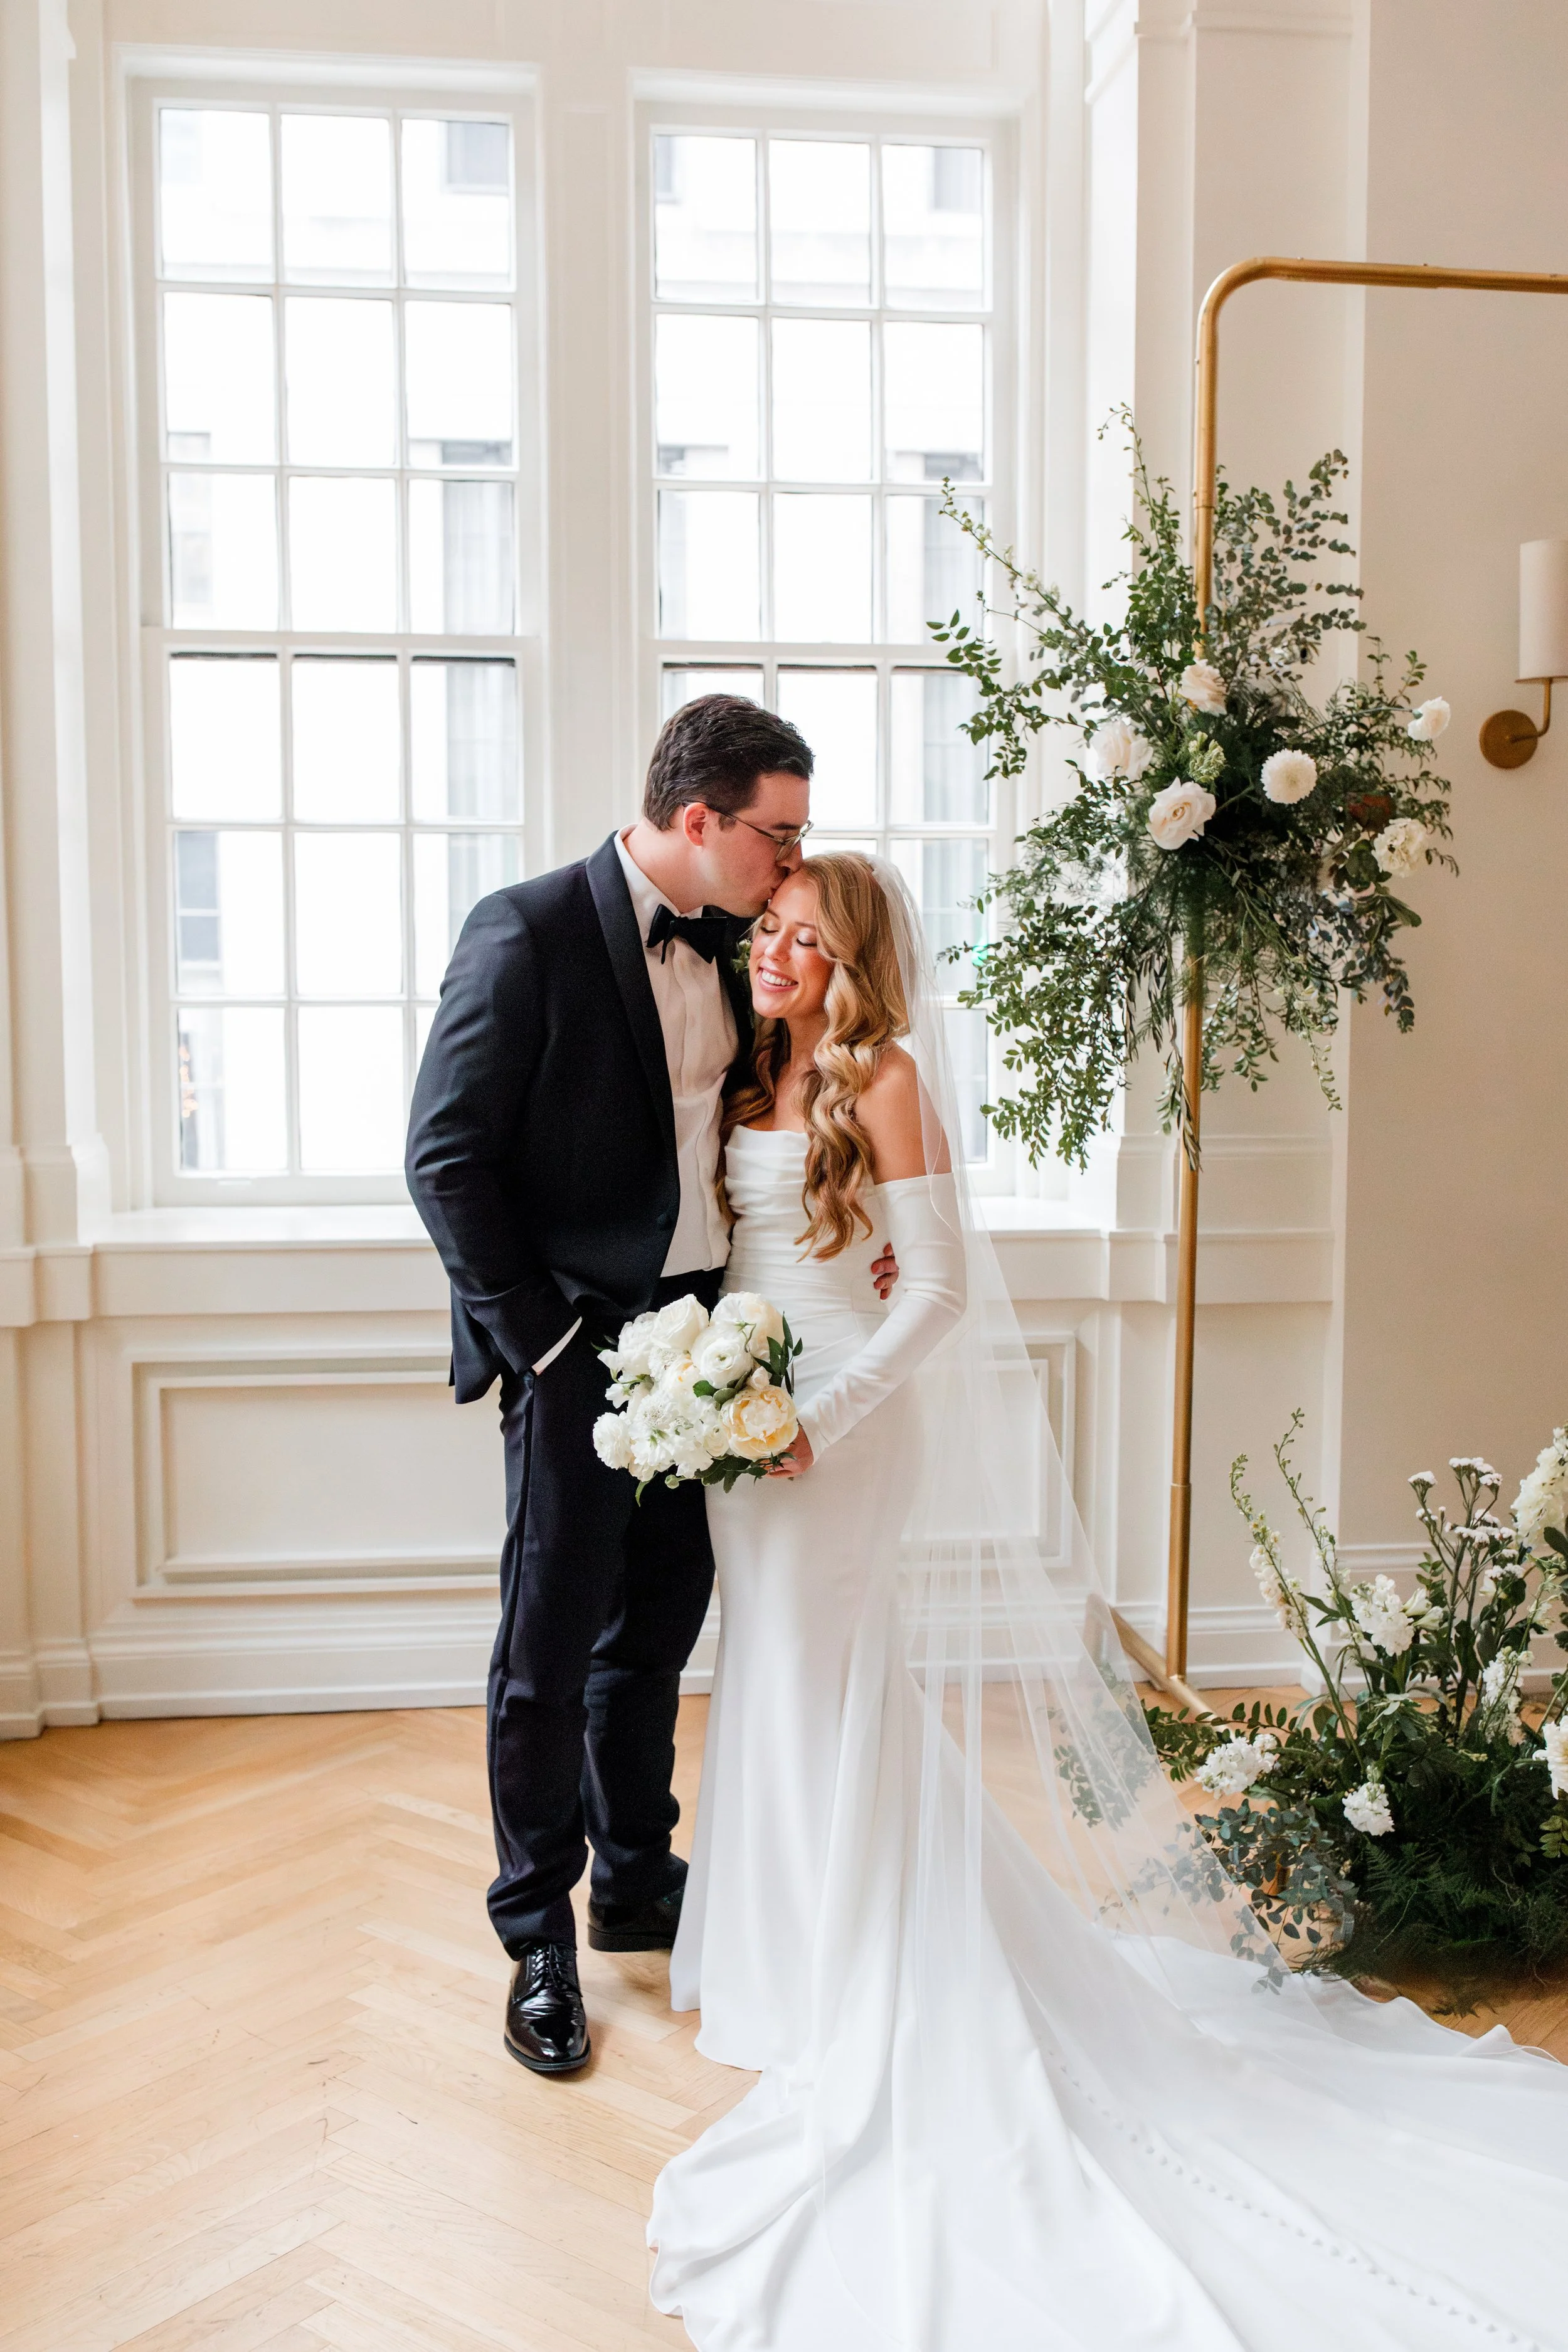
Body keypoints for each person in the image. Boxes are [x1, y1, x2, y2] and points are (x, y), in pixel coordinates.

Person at [649, 850, 1568, 2352]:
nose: (772, 949)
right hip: (745, 1427)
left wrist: (825, 1413)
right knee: (771, 1685)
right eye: (767, 926)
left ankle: (851, 1981)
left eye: (801, 933)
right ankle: (782, 1962)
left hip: (833, 1431)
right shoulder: (754, 1069)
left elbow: (934, 1288)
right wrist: (721, 1397)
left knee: (825, 1685)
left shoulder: (881, 1082)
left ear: (855, 953)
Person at [405, 696, 898, 2079]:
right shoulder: (526, 930)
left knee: (656, 1634)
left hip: (714, 1341)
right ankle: (536, 1939)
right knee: (546, 1654)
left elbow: (798, 1117)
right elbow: (444, 1158)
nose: (792, 856)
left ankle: (634, 1879)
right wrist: (545, 1347)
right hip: (575, 1351)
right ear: (700, 819)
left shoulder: (757, 941)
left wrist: (851, 1266)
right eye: (778, 830)